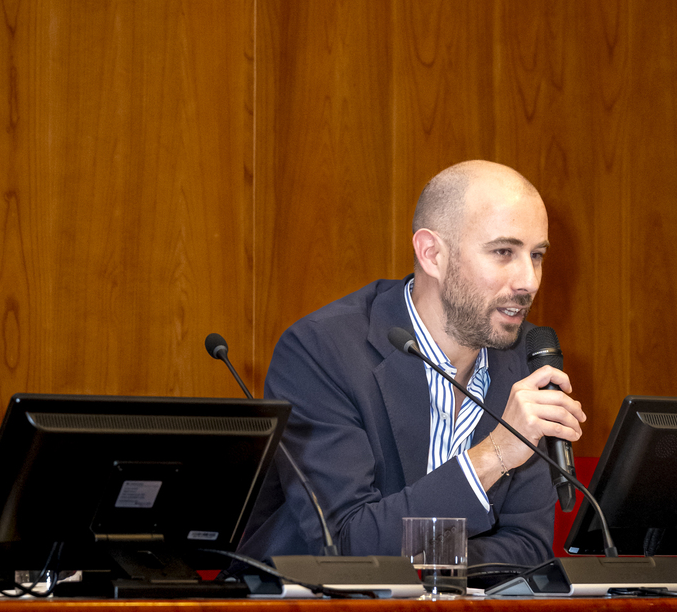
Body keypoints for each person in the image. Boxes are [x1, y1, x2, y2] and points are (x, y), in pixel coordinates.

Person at [240, 159, 586, 564]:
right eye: (503, 252)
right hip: (311, 603)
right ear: (431, 254)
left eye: (537, 255)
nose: (529, 280)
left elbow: (527, 548)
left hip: (459, 606)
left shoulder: (525, 356)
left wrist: (420, 557)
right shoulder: (322, 350)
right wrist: (494, 454)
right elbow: (346, 544)